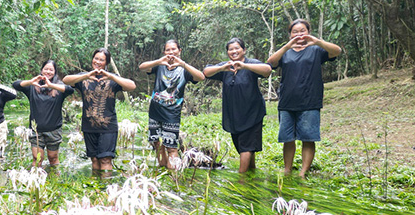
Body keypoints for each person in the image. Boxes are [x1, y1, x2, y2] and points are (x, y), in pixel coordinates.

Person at [266, 19, 341, 178]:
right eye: (295, 31)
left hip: (310, 101)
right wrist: (287, 46)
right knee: (288, 138)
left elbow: (337, 51)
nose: (299, 34)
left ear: (308, 32)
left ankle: (303, 172)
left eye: (302, 31)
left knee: (308, 138)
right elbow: (270, 63)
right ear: (290, 34)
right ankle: (287, 169)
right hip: (287, 101)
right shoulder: (286, 52)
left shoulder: (316, 50)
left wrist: (317, 41)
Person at [203, 38, 272, 173]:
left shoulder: (251, 64)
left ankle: (242, 180)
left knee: (246, 146)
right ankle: (252, 174)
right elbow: (206, 72)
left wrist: (244, 66)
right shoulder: (225, 66)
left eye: (237, 48)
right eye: (231, 49)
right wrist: (223, 68)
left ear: (244, 50)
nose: (234, 51)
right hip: (234, 114)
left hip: (252, 112)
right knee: (244, 147)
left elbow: (267, 70)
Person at [63, 48, 136, 172]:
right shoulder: (83, 78)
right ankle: (96, 187)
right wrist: (86, 75)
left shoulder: (113, 79)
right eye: (96, 58)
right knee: (94, 159)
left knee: (106, 159)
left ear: (106, 62)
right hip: (88, 126)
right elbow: (66, 80)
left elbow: (132, 86)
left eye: (101, 60)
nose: (97, 62)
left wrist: (111, 76)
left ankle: (106, 188)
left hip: (108, 127)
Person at [139, 40, 205, 169]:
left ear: (179, 51)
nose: (171, 52)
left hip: (172, 114)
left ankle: (173, 178)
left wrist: (183, 64)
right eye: (168, 50)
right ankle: (163, 172)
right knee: (156, 144)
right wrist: (159, 61)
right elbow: (142, 67)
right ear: (164, 52)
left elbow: (201, 77)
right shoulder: (159, 66)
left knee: (171, 147)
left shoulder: (184, 70)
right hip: (155, 111)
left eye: (174, 49)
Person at [13, 60, 74, 167]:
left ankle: (55, 180)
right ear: (41, 70)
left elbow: (70, 90)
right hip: (36, 130)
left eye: (51, 70)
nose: (48, 72)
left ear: (55, 72)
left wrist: (51, 85)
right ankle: (35, 181)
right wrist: (30, 82)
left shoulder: (58, 87)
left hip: (54, 130)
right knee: (37, 159)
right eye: (46, 69)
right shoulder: (32, 87)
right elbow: (16, 85)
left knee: (53, 158)